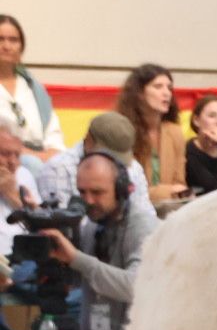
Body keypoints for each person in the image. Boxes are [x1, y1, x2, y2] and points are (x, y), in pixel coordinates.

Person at [41, 152, 159, 330]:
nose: (88, 200)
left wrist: (76, 259)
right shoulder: (93, 225)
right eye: (82, 192)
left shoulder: (143, 225)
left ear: (121, 190)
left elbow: (136, 286)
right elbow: (89, 276)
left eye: (97, 192)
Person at [37, 112, 153, 213]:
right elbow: (62, 225)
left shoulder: (134, 168)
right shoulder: (58, 169)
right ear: (89, 141)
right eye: (110, 154)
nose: (115, 161)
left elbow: (146, 215)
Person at [115, 63, 187, 203]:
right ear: (139, 93)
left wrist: (173, 192)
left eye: (169, 88)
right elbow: (127, 188)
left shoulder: (175, 132)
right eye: (158, 87)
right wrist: (166, 192)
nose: (166, 93)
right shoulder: (121, 131)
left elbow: (180, 184)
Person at [0, 15, 63, 163]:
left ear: (21, 47)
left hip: (40, 161)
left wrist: (41, 157)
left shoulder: (34, 88)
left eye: (13, 40)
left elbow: (54, 140)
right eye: (0, 39)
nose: (6, 46)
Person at [0, 126, 41, 210]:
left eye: (17, 155)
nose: (13, 162)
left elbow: (40, 218)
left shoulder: (23, 175)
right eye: (5, 154)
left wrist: (12, 195)